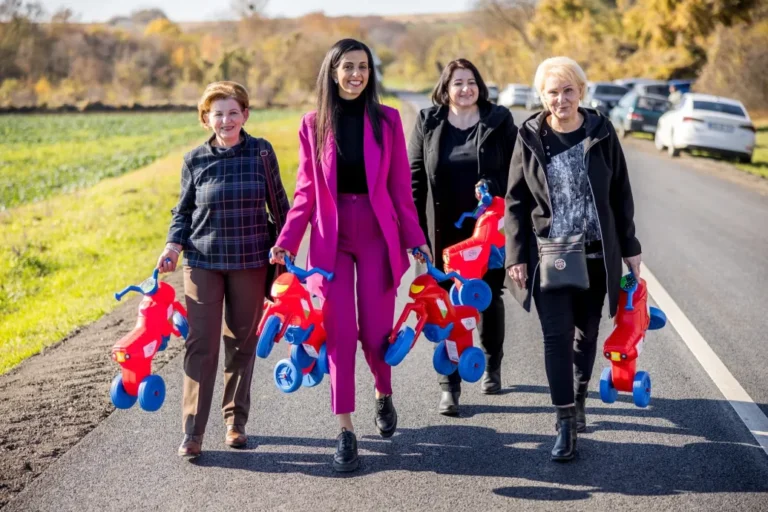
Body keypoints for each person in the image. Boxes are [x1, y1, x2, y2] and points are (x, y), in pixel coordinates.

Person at [270, 39, 429, 473]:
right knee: (339, 332)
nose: (356, 74)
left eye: (363, 67)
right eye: (348, 67)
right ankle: (345, 429)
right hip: (331, 238)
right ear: (333, 71)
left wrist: (417, 239)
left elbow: (400, 190)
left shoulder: (388, 121)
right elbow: (305, 192)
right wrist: (287, 239)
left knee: (376, 330)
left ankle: (383, 391)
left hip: (378, 234)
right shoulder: (313, 123)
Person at [504, 57, 642, 462]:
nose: (561, 99)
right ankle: (564, 421)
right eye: (553, 91)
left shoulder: (600, 132)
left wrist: (630, 248)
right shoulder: (529, 134)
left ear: (581, 91)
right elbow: (515, 200)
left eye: (568, 90)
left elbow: (621, 193)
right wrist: (516, 254)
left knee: (587, 333)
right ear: (542, 95)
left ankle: (579, 396)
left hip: (598, 254)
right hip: (551, 254)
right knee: (556, 336)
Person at [157, 81, 290, 459]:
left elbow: (279, 205)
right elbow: (182, 212)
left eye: (234, 112)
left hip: (250, 260)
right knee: (201, 344)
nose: (226, 120)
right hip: (202, 262)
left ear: (245, 114)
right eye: (218, 113)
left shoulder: (261, 152)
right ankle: (192, 431)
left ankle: (235, 423)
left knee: (241, 343)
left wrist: (286, 251)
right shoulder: (194, 160)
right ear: (206, 119)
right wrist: (172, 246)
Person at [409, 58, 518, 416]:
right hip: (441, 231)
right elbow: (414, 178)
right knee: (444, 303)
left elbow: (518, 171)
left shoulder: (498, 120)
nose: (465, 88)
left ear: (479, 85)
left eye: (471, 81)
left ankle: (491, 363)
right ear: (446, 87)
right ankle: (450, 383)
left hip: (486, 229)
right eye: (458, 83)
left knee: (487, 296)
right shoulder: (428, 121)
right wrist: (416, 236)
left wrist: (493, 186)